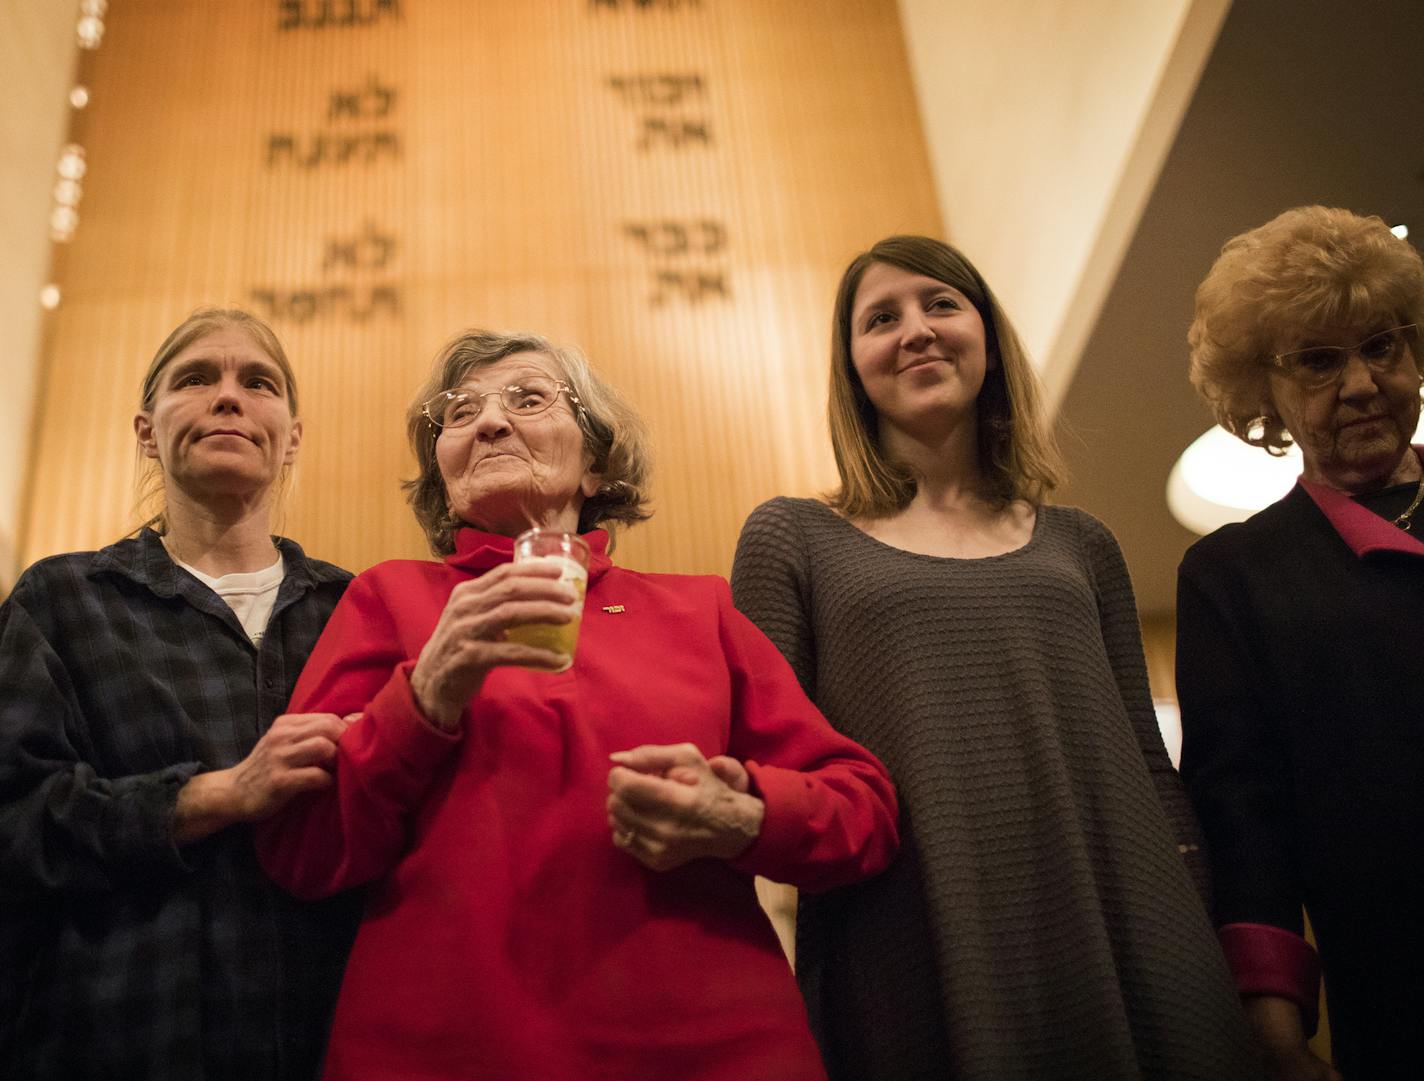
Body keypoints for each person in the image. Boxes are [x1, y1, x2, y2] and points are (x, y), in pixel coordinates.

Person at [254, 329, 899, 1081]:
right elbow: (297, 846)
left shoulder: (701, 611)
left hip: (711, 1047)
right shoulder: (387, 598)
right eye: (458, 413)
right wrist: (421, 699)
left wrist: (748, 813)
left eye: (527, 398)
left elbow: (865, 808)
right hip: (445, 1049)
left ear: (596, 462)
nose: (488, 422)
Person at [732, 235, 1261, 1080]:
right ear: (851, 364)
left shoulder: (1083, 543)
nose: (917, 330)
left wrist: (1205, 938)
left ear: (987, 335)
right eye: (881, 318)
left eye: (941, 303)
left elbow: (1149, 766)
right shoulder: (791, 538)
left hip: (1130, 917)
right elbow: (780, 774)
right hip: (912, 933)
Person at [0, 308, 360, 1080]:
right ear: (145, 428)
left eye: (257, 382)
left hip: (330, 1043)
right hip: (122, 1037)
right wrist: (220, 794)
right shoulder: (60, 600)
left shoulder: (355, 612)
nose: (228, 397)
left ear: (292, 435)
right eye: (195, 379)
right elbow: (16, 822)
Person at [1178, 205, 1424, 1081]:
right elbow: (1246, 821)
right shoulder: (1235, 576)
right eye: (1319, 360)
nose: (1360, 382)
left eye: (1382, 346)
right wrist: (1277, 1034)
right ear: (1264, 392)